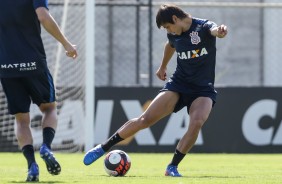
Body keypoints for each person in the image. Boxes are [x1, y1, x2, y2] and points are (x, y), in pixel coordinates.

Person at [83, 4, 227, 177]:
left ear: (175, 19)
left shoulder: (203, 26)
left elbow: (214, 30)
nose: (169, 31)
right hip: (178, 84)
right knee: (145, 119)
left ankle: (172, 167)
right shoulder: (174, 34)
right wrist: (163, 66)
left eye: (168, 26)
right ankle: (102, 148)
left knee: (196, 123)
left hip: (203, 88)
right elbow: (170, 45)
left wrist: (220, 30)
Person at [0, 0, 77, 182]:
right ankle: (46, 147)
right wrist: (66, 43)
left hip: (6, 66)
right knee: (49, 108)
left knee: (21, 119)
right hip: (33, 62)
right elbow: (43, 15)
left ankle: (31, 167)